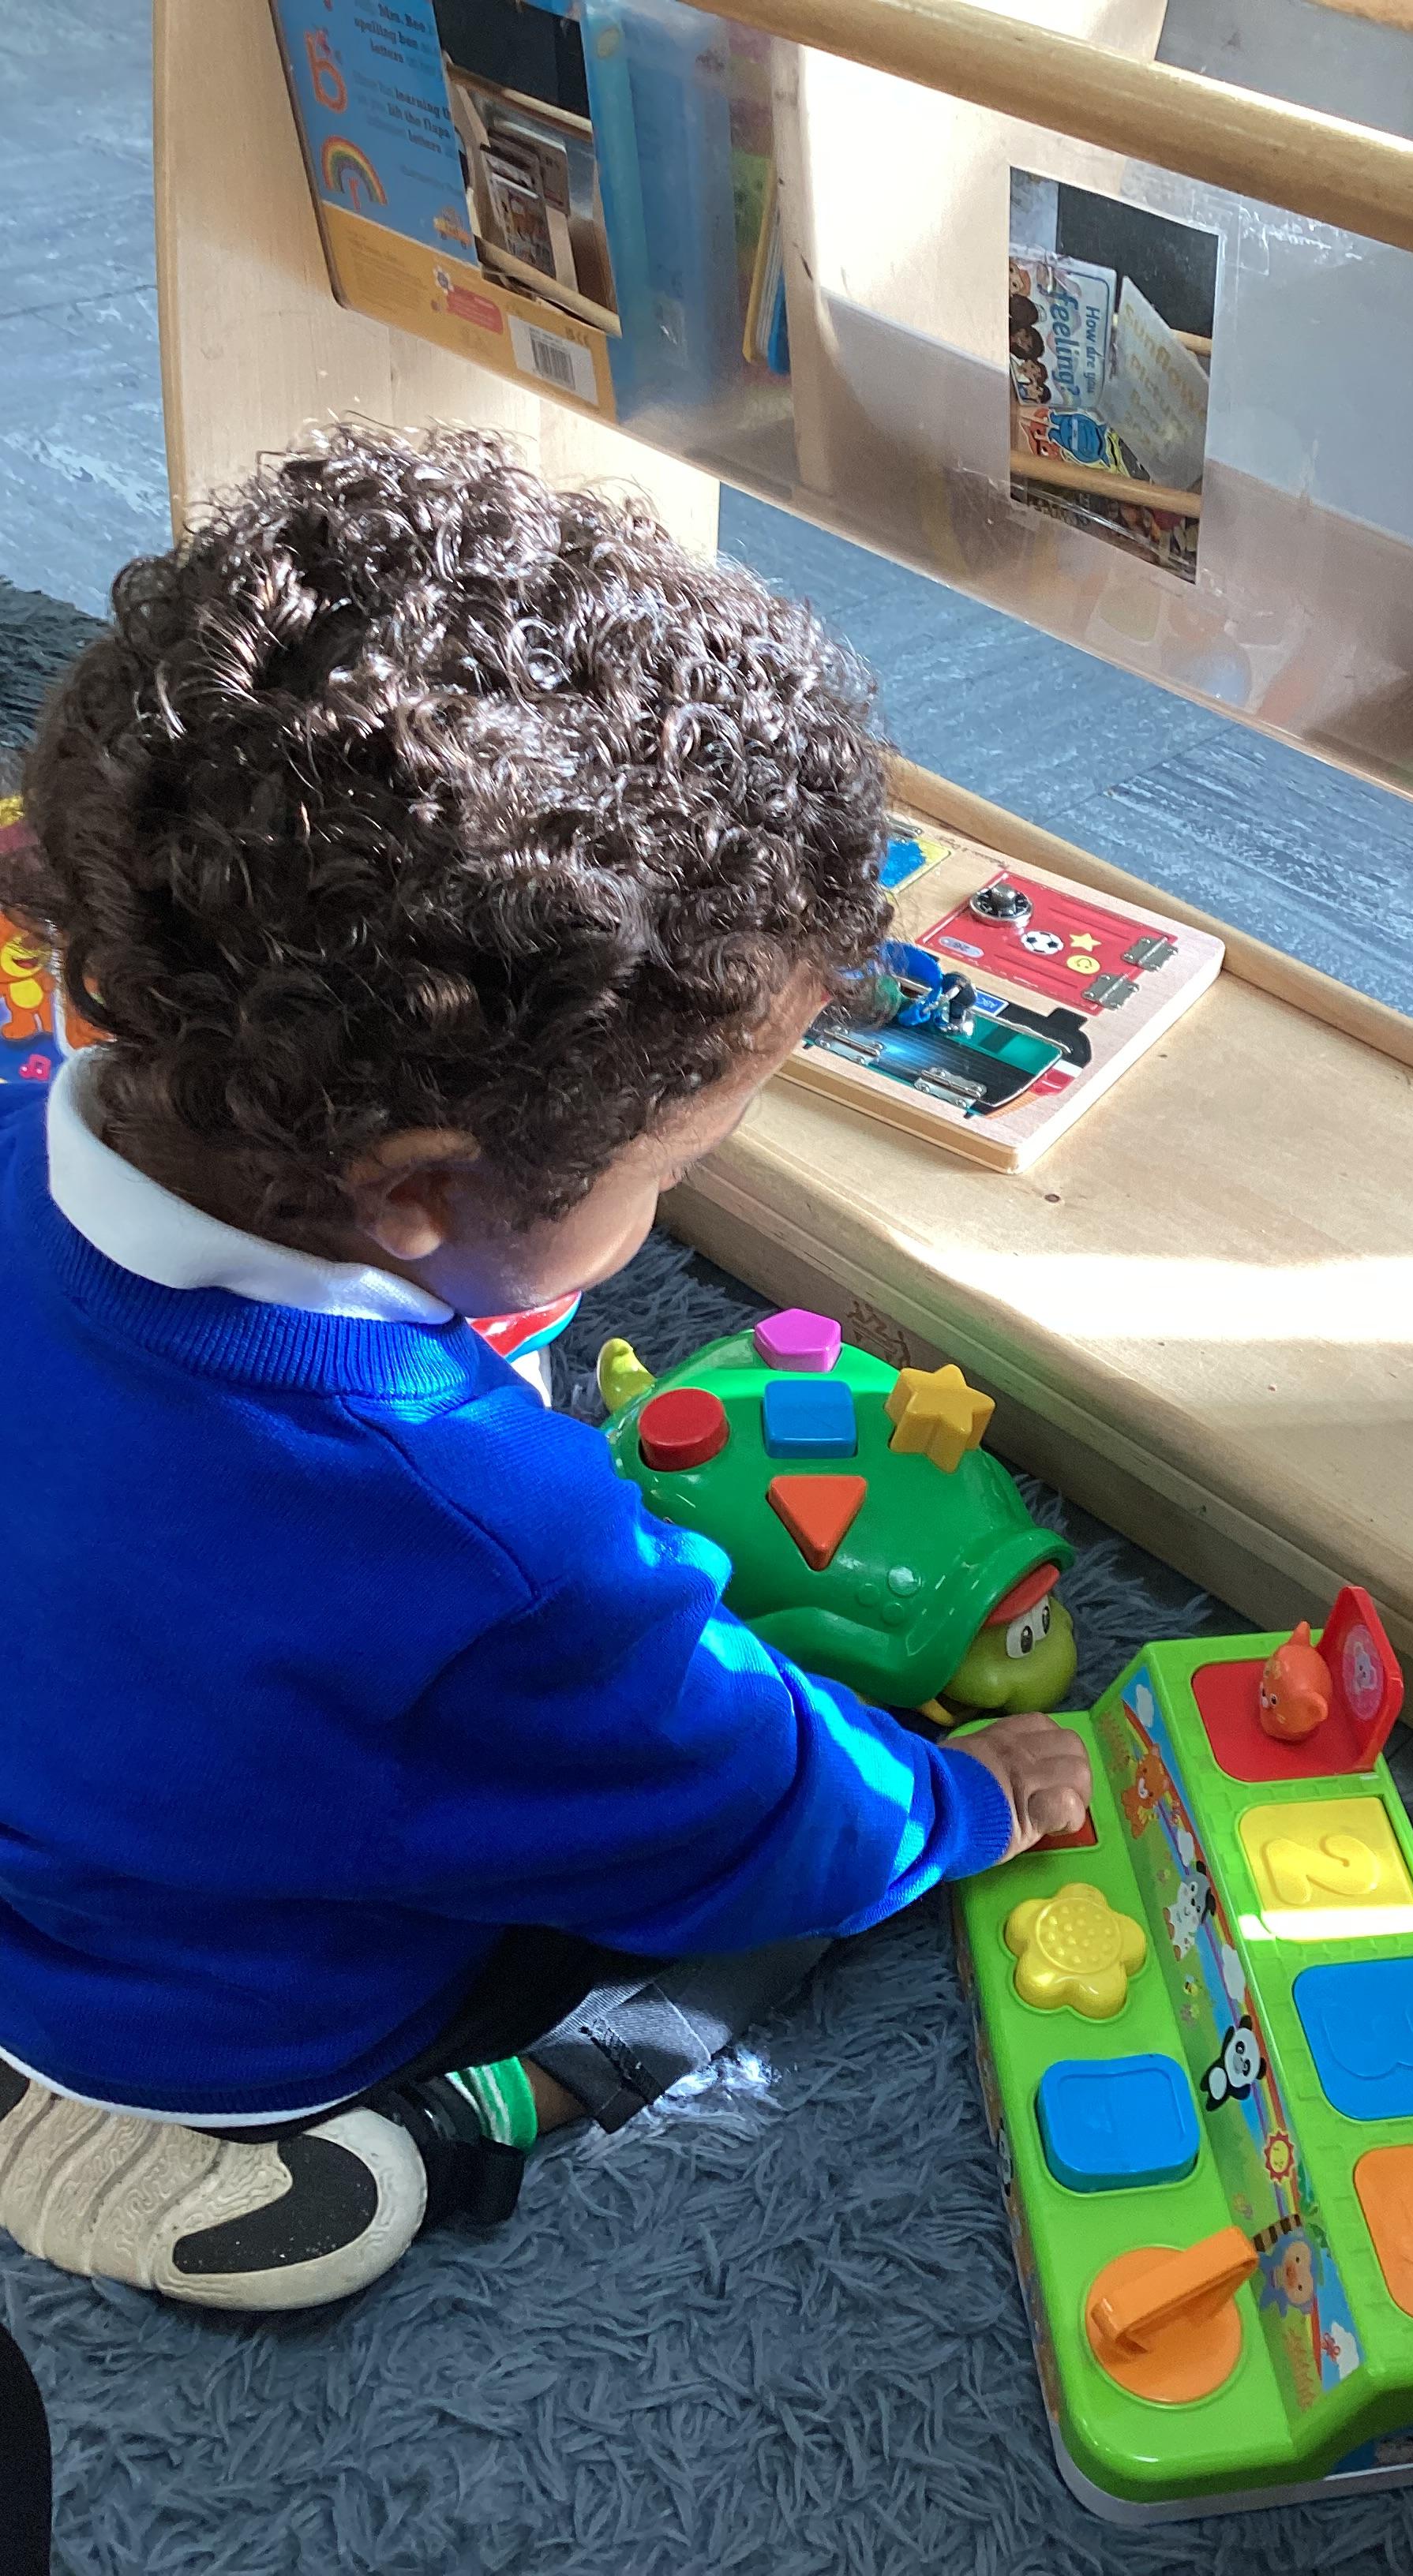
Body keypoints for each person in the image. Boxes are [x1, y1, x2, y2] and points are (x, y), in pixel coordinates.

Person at [0, 423, 1089, 2314]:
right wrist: (958, 1802)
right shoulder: (490, 1536)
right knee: (749, 1921)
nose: (674, 1206)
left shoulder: (42, 1114)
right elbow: (745, 1804)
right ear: (416, 1191)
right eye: (674, 1167)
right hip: (238, 2010)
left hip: (61, 1805)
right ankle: (456, 2125)